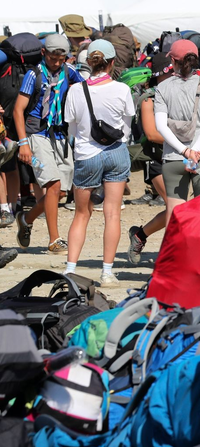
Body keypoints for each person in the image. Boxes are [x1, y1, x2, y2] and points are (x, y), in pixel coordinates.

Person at [62, 40, 133, 286]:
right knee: (112, 214)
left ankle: (70, 270)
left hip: (87, 153)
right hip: (116, 152)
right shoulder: (122, 89)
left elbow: (71, 129)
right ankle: (107, 272)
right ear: (112, 62)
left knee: (81, 214)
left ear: (88, 62)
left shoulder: (75, 90)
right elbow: (126, 129)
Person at [14, 33, 84, 254]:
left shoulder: (69, 71)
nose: (56, 62)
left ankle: (26, 219)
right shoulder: (33, 75)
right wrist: (23, 143)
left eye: (61, 59)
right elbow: (18, 110)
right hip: (36, 134)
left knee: (61, 192)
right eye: (53, 58)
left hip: (60, 135)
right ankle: (54, 240)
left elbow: (86, 91)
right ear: (44, 53)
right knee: (52, 185)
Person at [154, 39, 200, 225]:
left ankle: (175, 246)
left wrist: (185, 152)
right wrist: (195, 152)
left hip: (174, 157)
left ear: (172, 61)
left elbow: (161, 126)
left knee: (175, 213)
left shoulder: (162, 88)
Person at [127, 53, 172, 264]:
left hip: (178, 157)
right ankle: (170, 256)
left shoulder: (178, 95)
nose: (174, 76)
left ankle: (140, 235)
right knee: (176, 208)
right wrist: (184, 142)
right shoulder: (149, 99)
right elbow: (152, 134)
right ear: (159, 75)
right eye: (170, 72)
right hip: (155, 159)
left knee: (176, 209)